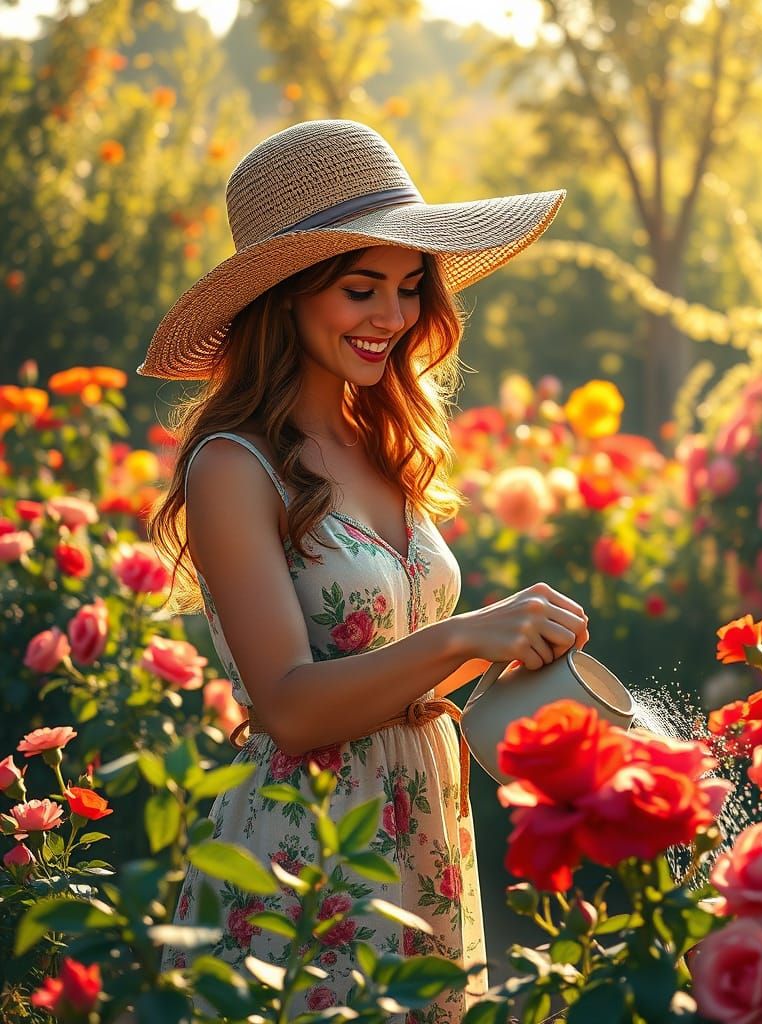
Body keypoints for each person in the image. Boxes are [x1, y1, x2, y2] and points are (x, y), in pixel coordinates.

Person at [141, 119, 589, 1020]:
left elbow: (396, 665)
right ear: (288, 297)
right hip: (306, 855)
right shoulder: (235, 465)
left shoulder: (384, 441)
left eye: (410, 286)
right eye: (361, 289)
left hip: (419, 829)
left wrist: (513, 641)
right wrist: (465, 631)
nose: (393, 317)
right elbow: (292, 704)